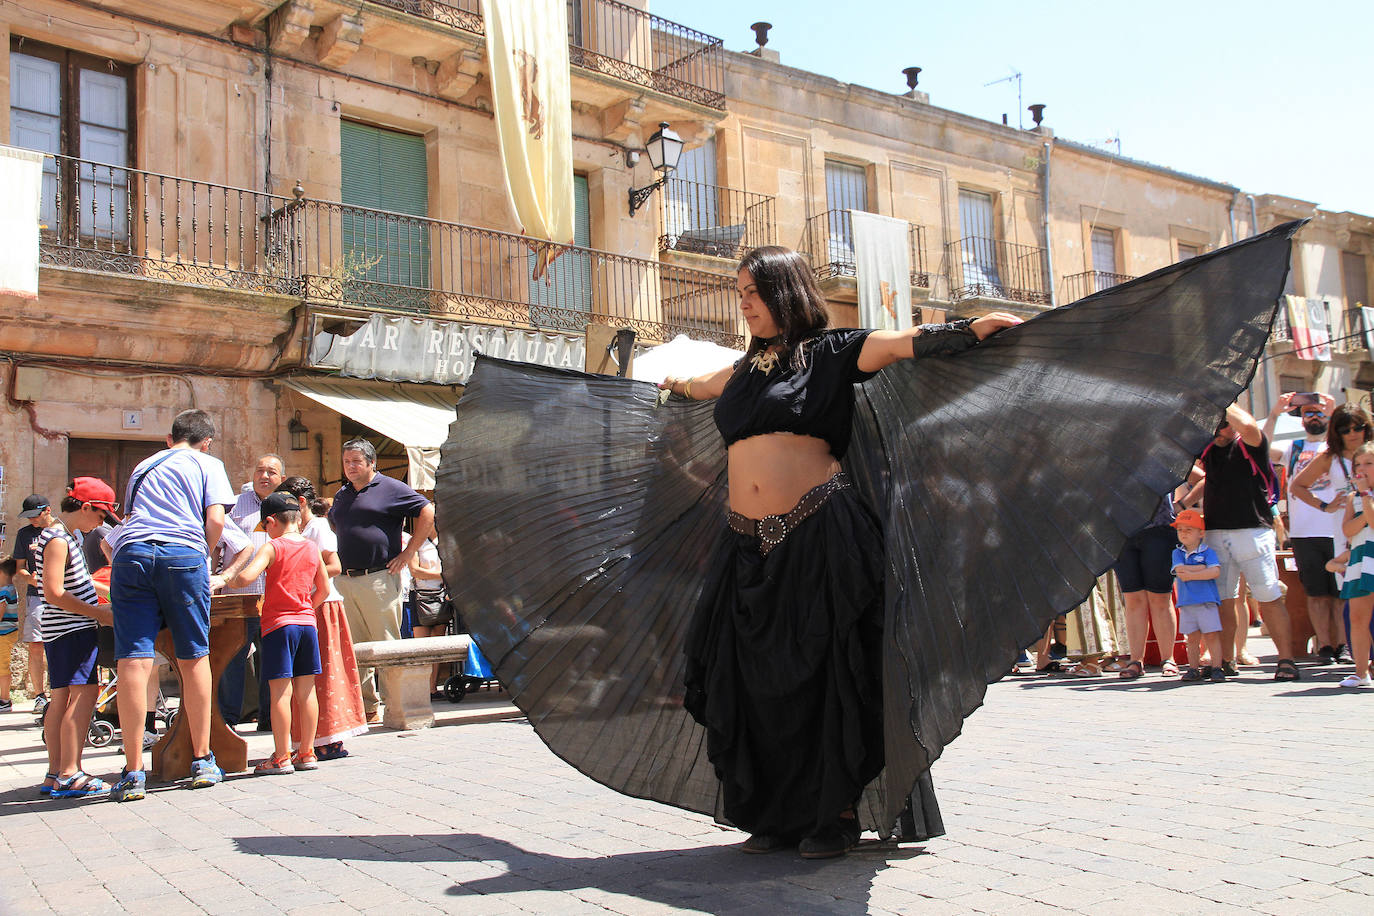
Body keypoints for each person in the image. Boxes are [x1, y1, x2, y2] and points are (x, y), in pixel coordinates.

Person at [658, 247, 1020, 858]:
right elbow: (699, 386)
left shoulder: (831, 352)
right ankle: (776, 810)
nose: (743, 302)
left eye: (753, 291)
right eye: (740, 292)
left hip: (817, 531)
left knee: (826, 676)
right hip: (746, 547)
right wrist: (672, 385)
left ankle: (835, 813)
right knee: (753, 677)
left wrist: (969, 328)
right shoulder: (745, 369)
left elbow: (901, 343)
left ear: (786, 292)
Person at [107, 408, 237, 801]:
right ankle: (201, 759)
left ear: (170, 438)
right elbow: (214, 519)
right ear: (207, 441)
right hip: (182, 553)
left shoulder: (143, 466)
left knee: (133, 659)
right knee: (193, 655)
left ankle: (133, 772)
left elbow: (130, 518)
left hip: (131, 554)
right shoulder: (207, 463)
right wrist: (203, 554)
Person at [1186, 402, 1298, 680]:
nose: (1219, 428)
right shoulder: (1209, 449)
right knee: (1224, 599)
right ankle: (1225, 660)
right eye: (1216, 423)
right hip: (1216, 532)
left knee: (1268, 596)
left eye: (1223, 423)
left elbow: (1248, 426)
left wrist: (1222, 398)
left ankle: (1286, 659)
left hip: (1252, 530)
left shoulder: (1251, 445)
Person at [328, 439, 434, 721]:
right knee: (354, 647)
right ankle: (367, 707)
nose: (350, 466)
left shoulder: (390, 488)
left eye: (356, 461)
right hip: (345, 579)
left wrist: (409, 552)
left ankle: (396, 706)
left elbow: (427, 510)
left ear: (371, 463)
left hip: (378, 577)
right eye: (346, 461)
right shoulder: (342, 493)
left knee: (386, 643)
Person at [221, 491, 328, 773]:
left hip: (278, 625)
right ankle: (306, 752)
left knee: (280, 691)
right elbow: (324, 590)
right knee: (306, 691)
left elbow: (245, 577)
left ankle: (281, 756)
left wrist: (226, 576)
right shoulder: (311, 547)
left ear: (270, 522)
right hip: (307, 624)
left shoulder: (272, 547)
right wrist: (305, 608)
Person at [35, 478, 120, 797]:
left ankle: (55, 772)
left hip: (62, 630)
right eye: (100, 515)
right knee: (84, 695)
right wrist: (100, 614)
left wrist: (106, 596)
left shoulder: (60, 535)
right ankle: (71, 772)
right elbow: (55, 593)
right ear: (85, 507)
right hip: (71, 629)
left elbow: (74, 583)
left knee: (61, 698)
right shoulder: (59, 539)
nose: (101, 522)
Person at [273, 476, 367, 760]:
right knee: (312, 676)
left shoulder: (318, 528)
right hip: (311, 605)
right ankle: (313, 740)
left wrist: (304, 578)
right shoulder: (304, 530)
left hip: (322, 605)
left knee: (324, 675)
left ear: (301, 503)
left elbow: (334, 566)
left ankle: (327, 739)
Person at [1291, 403, 1373, 664]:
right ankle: (1356, 654)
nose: (1352, 433)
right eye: (1344, 428)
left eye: (1357, 427)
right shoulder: (1331, 456)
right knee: (1349, 589)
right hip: (1345, 526)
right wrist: (1324, 505)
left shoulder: (1371, 452)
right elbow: (1297, 485)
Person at [221, 454, 285, 729]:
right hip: (237, 598)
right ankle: (227, 719)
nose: (265, 476)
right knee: (231, 659)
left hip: (273, 597)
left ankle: (270, 719)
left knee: (271, 659)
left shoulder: (286, 507)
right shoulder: (234, 505)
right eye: (260, 470)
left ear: (281, 478)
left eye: (271, 472)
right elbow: (218, 544)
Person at [1112, 489, 1184, 680]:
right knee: (1133, 598)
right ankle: (1136, 661)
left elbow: (1200, 476)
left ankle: (1168, 659)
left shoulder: (1161, 457)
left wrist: (1182, 505)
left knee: (1160, 597)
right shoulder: (1108, 460)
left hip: (1158, 528)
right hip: (1121, 531)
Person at [1169, 510, 1226, 683]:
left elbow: (1215, 571)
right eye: (1180, 530)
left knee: (1211, 635)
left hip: (1207, 601)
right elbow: (1180, 571)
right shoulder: (1177, 552)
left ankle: (1217, 667)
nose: (1183, 534)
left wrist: (1192, 572)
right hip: (1187, 603)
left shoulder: (1208, 552)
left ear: (1201, 533)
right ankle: (1193, 668)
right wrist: (1202, 569)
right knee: (1191, 638)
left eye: (1189, 530)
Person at [1337, 443, 1374, 688]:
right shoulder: (1354, 497)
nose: (1362, 469)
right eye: (1358, 465)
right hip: (1361, 559)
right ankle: (1361, 672)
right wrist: (1362, 498)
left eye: (1368, 464)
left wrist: (1366, 499)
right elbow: (1348, 530)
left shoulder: (1362, 496)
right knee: (1358, 617)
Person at [12, 494, 51, 706]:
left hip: (62, 596)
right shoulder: (24, 534)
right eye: (28, 517)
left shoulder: (61, 531)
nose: (32, 520)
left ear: (47, 510)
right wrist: (30, 579)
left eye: (34, 515)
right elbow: (20, 568)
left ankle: (61, 692)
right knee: (36, 645)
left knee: (60, 644)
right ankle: (39, 696)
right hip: (36, 597)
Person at [407, 530, 450, 696]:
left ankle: (432, 687)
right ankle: (421, 687)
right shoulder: (416, 542)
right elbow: (415, 570)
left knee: (437, 642)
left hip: (440, 595)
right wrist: (442, 575)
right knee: (421, 644)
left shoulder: (446, 540)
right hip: (420, 595)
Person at [1, 557, 20, 712]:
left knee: (2, 668)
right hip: (8, 633)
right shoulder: (12, 589)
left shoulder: (4, 591)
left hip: (3, 634)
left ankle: (5, 699)